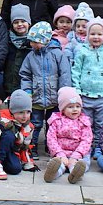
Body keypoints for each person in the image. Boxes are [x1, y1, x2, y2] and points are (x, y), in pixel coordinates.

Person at [19, 21, 72, 159]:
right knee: (35, 123)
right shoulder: (30, 56)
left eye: (34, 41)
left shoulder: (58, 54)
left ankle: (51, 146)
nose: (32, 44)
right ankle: (33, 147)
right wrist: (27, 91)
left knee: (52, 123)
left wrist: (63, 93)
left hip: (54, 97)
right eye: (31, 41)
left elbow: (65, 74)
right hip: (35, 96)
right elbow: (25, 75)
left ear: (44, 40)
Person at [71, 16, 103, 155]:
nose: (96, 37)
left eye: (99, 34)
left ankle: (99, 147)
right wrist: (77, 89)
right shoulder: (82, 51)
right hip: (85, 95)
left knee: (101, 124)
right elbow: (76, 71)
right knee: (86, 123)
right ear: (87, 35)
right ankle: (86, 146)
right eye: (92, 34)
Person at [0, 89, 37, 180]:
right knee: (9, 135)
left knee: (15, 169)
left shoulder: (28, 126)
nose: (25, 116)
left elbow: (26, 146)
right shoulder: (0, 122)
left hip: (11, 151)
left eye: (28, 112)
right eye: (21, 112)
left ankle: (4, 163)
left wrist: (27, 161)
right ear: (12, 111)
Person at [43, 87, 92, 184]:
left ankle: (76, 173)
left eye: (77, 106)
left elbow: (86, 140)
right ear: (63, 109)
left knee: (82, 163)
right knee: (59, 164)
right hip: (62, 152)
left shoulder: (83, 121)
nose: (75, 109)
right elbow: (51, 139)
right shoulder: (56, 120)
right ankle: (53, 173)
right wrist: (59, 154)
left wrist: (76, 155)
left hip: (79, 152)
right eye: (70, 107)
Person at [4, 4, 31, 94]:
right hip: (9, 84)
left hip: (27, 87)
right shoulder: (7, 40)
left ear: (29, 23)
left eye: (23, 21)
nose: (20, 24)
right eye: (16, 22)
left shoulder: (33, 42)